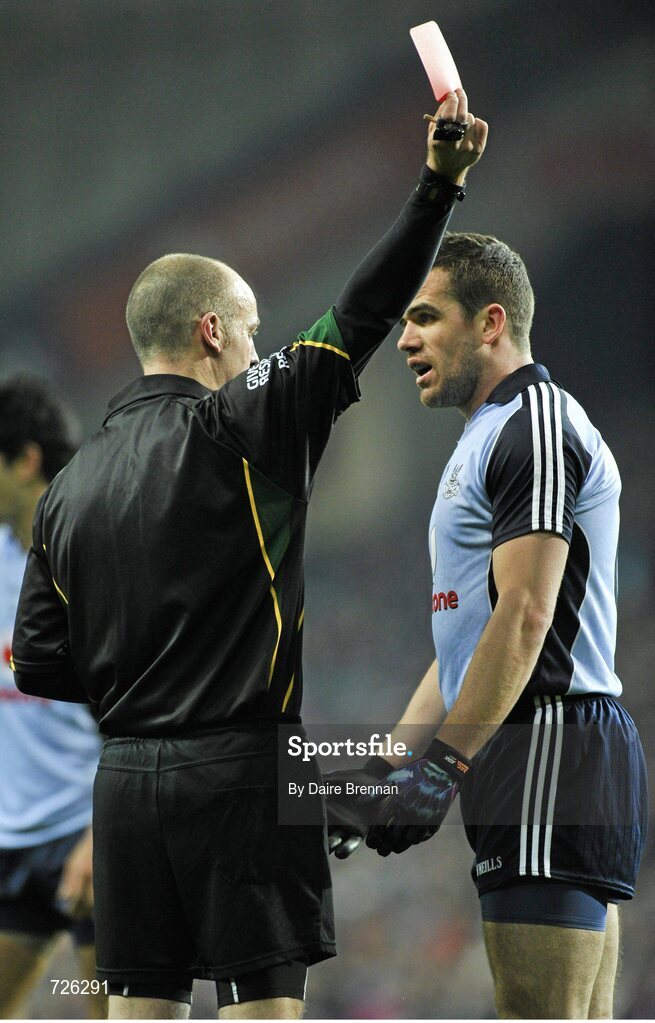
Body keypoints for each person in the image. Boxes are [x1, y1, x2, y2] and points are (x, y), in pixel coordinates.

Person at [10, 92, 487, 1020]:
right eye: (255, 326)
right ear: (212, 331)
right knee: (261, 1012)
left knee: (136, 1011)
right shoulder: (241, 424)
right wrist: (437, 187)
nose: (265, 344)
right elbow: (362, 312)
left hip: (126, 792)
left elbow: (38, 662)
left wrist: (138, 679)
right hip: (242, 778)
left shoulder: (66, 488)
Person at [327, 233, 648, 1018]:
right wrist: (383, 767)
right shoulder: (484, 435)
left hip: (547, 738)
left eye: (425, 318)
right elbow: (463, 642)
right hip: (530, 741)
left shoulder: (532, 422)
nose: (403, 338)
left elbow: (526, 614)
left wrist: (436, 773)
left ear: (491, 322)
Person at [0, 376, 104, 1018]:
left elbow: (144, 701)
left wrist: (104, 829)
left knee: (120, 1015)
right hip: (12, 839)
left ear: (26, 460)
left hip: (88, 831)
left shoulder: (92, 546)